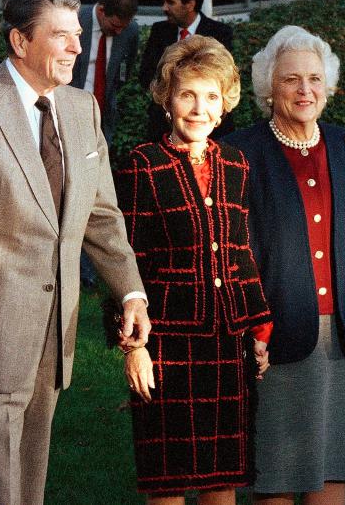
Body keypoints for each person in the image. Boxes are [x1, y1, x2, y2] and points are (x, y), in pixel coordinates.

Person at [0, 0, 151, 505]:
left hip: (55, 337)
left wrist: (130, 292)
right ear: (20, 41)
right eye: (61, 36)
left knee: (30, 487)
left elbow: (102, 216)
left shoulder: (83, 110)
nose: (77, 48)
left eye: (78, 34)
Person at [226, 26, 345, 505]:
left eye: (315, 80)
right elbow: (235, 249)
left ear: (329, 86)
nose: (305, 90)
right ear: (268, 88)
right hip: (274, 331)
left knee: (334, 467)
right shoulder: (241, 151)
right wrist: (246, 329)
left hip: (342, 333)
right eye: (291, 80)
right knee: (276, 474)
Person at [115, 35, 273, 503]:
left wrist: (258, 330)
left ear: (225, 104)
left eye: (211, 96)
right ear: (167, 99)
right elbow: (127, 262)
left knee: (222, 477)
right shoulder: (142, 166)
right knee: (166, 476)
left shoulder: (236, 164)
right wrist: (133, 348)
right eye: (187, 94)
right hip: (166, 342)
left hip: (228, 342)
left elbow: (241, 254)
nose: (199, 108)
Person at [139, 0, 234, 141]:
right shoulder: (159, 31)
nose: (164, 8)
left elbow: (224, 80)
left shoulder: (219, 33)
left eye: (170, 2)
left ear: (190, 4)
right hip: (162, 127)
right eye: (163, 2)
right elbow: (146, 75)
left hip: (208, 128)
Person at [70, 0, 140, 144]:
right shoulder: (76, 20)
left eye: (124, 27)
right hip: (71, 105)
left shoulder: (131, 31)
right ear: (101, 11)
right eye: (115, 25)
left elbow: (125, 69)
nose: (119, 32)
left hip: (104, 110)